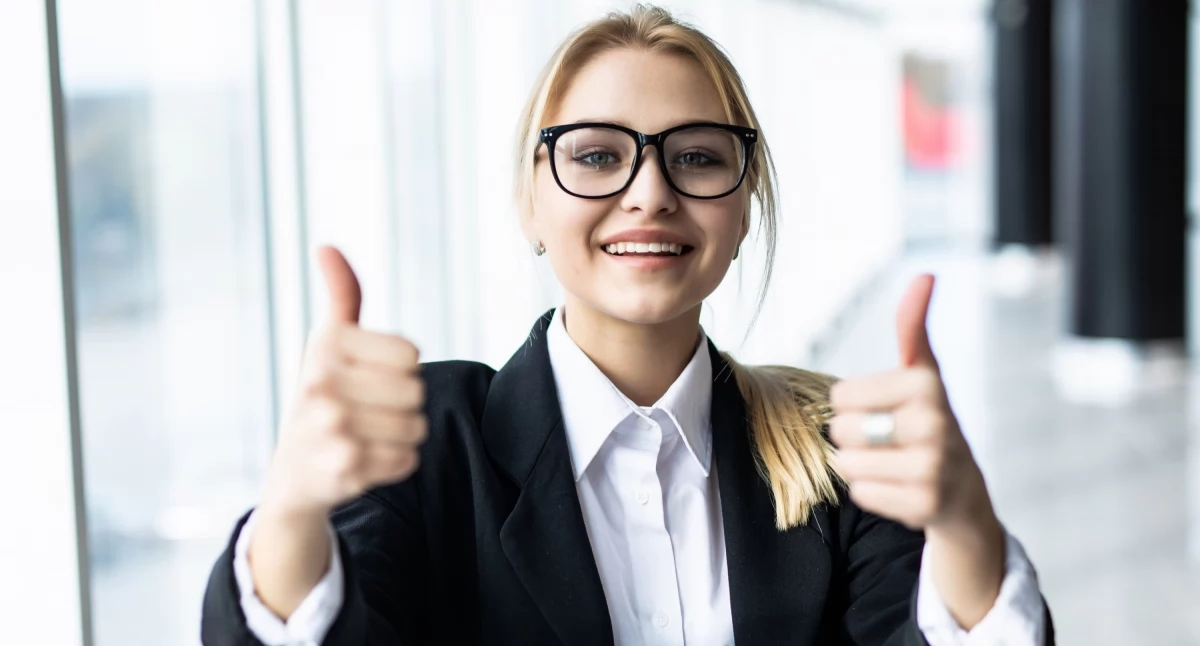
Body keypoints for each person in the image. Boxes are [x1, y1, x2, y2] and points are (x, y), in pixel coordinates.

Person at [201, 5, 1053, 645]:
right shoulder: (426, 435)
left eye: (697, 157)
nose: (650, 192)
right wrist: (292, 509)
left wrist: (966, 520)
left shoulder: (835, 450)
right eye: (599, 155)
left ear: (744, 208)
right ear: (531, 201)